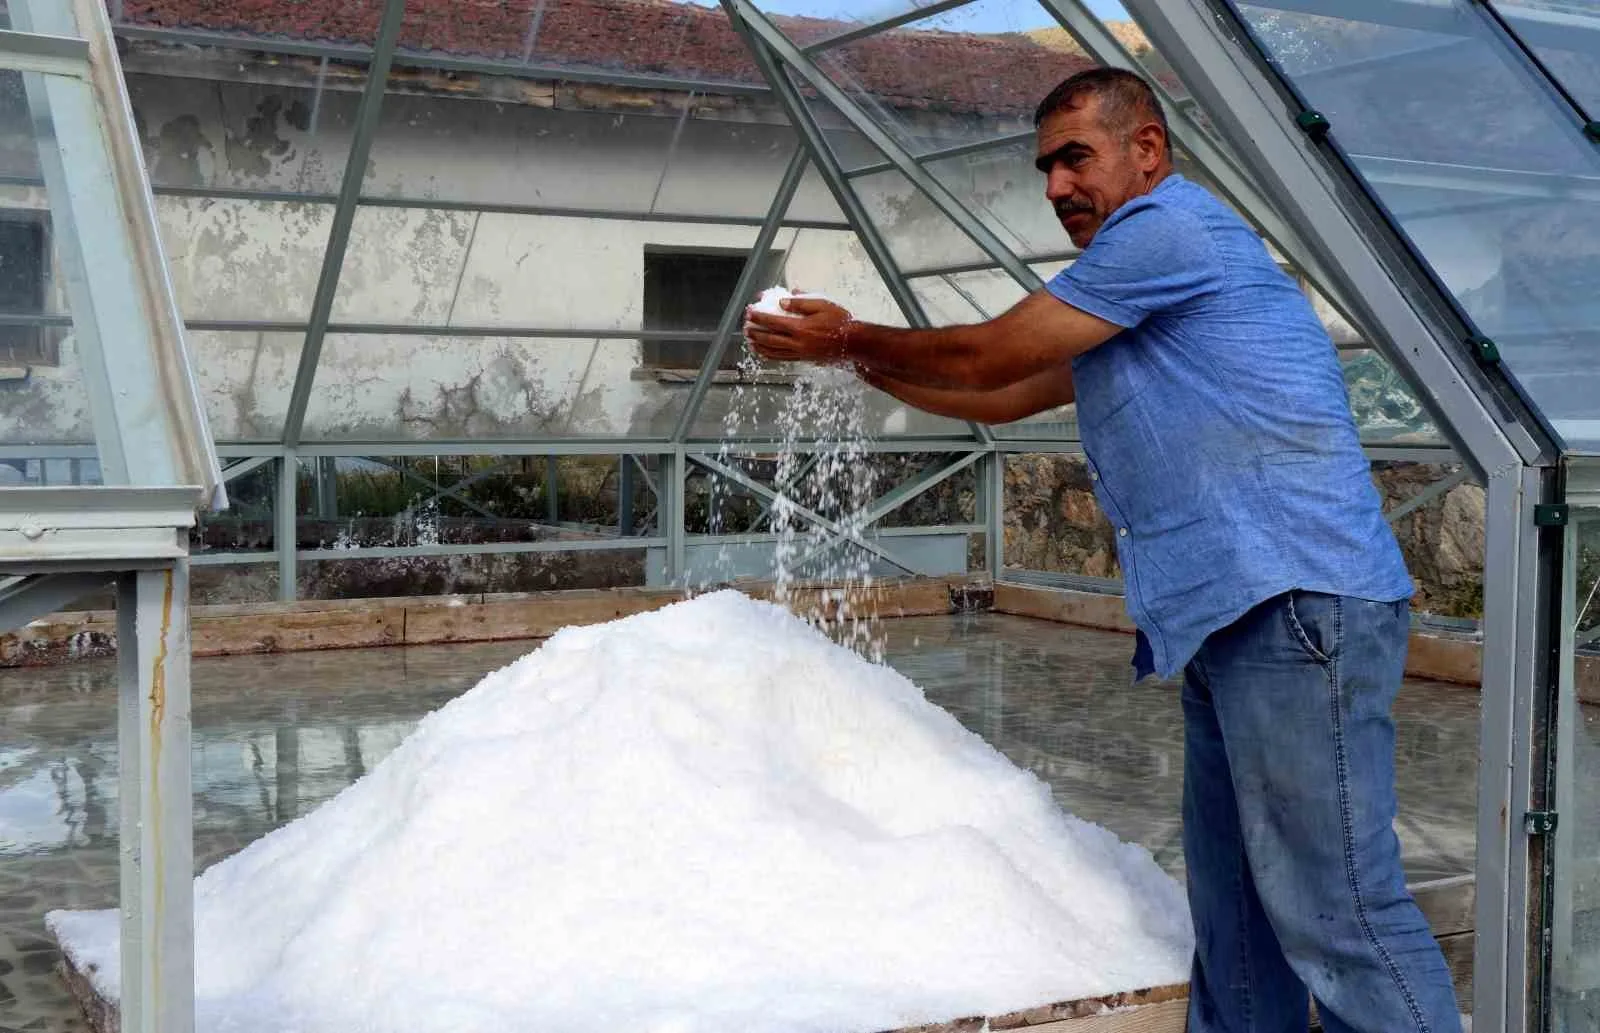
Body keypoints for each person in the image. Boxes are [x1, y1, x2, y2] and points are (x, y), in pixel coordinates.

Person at [744, 67, 1461, 1033]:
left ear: (1148, 151)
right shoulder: (1126, 291)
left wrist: (851, 339)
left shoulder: (1166, 232)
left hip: (1298, 604)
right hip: (1233, 618)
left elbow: (987, 356)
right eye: (1045, 167)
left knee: (1342, 914)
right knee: (1239, 920)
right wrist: (853, 358)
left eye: (1076, 156)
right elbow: (995, 397)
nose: (1055, 186)